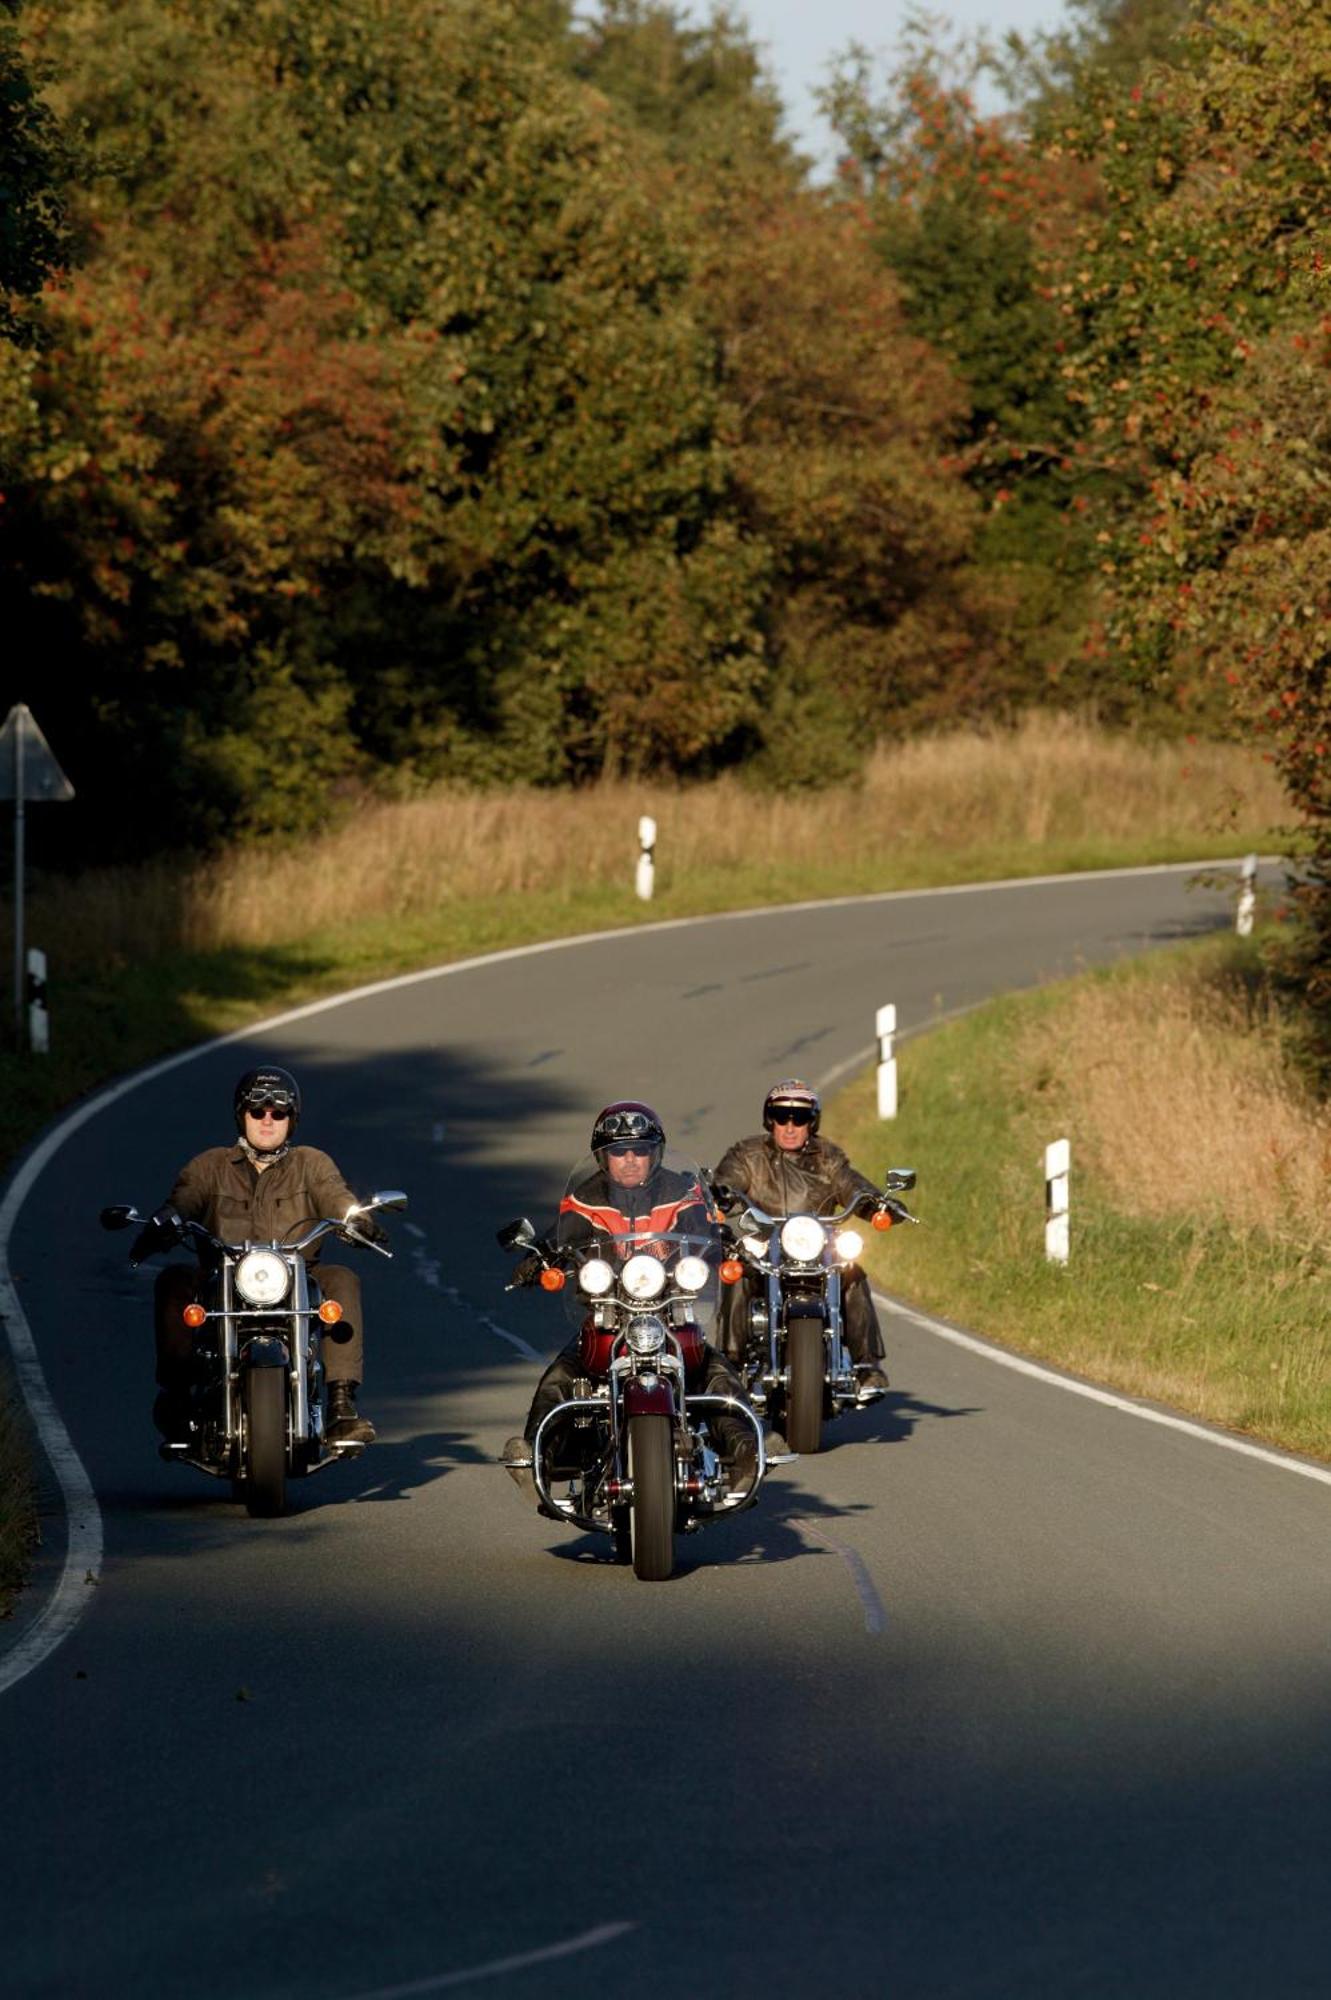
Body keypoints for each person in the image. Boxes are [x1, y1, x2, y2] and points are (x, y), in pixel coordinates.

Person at [501, 1101, 757, 1496]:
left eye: (640, 1150)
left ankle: (749, 1451)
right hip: (609, 1312)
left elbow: (702, 1225)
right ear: (603, 1156)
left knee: (713, 1369)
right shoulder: (585, 1198)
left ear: (655, 1153)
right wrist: (539, 1257)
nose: (631, 1161)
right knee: (563, 1374)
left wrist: (724, 1240)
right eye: (620, 1152)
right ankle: (538, 1453)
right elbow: (561, 1235)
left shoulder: (681, 1190)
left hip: (671, 1310)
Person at [133, 1065, 380, 1447]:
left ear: (291, 1119)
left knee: (342, 1279)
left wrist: (358, 1219)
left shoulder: (310, 1164)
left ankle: (341, 1404)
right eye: (258, 1112)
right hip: (223, 1276)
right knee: (174, 1280)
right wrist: (164, 1222)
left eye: (278, 1113)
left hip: (298, 1276)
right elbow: (183, 1199)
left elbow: (336, 1196)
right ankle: (178, 1393)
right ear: (241, 1115)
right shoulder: (211, 1165)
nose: (267, 1120)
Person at [712, 1078, 891, 1401]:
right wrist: (720, 1196)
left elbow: (851, 1185)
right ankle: (731, 1366)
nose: (790, 1126)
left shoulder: (828, 1157)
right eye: (782, 1117)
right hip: (765, 1247)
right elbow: (727, 1184)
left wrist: (877, 1203)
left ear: (813, 1122)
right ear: (770, 1120)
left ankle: (867, 1367)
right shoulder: (747, 1155)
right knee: (735, 1271)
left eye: (800, 1118)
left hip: (818, 1249)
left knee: (852, 1271)